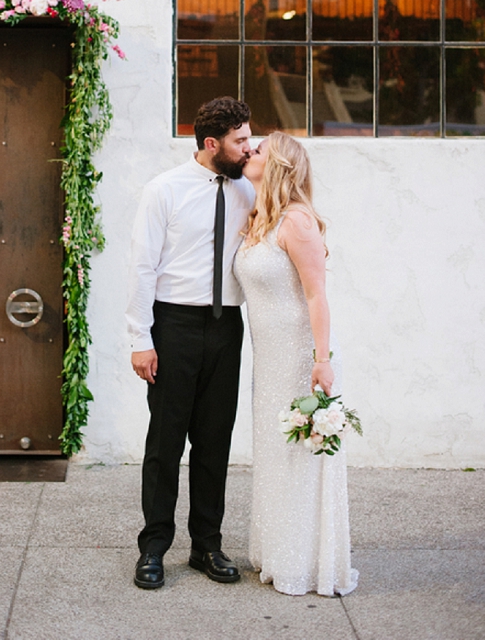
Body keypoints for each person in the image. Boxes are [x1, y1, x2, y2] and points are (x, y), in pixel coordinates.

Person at [127, 97, 256, 589]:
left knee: (214, 441)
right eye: (240, 140)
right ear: (211, 144)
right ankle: (154, 548)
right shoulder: (164, 190)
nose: (250, 147)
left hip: (228, 327)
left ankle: (207, 545)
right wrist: (141, 339)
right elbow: (142, 266)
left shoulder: (249, 189)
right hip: (173, 325)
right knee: (165, 442)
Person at [234, 132, 358, 596]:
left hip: (302, 357)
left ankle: (307, 563)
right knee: (275, 454)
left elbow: (316, 294)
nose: (250, 152)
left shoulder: (298, 222)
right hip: (268, 360)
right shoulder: (260, 219)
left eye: (259, 149)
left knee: (301, 458)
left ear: (280, 164)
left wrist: (321, 360)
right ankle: (279, 551)